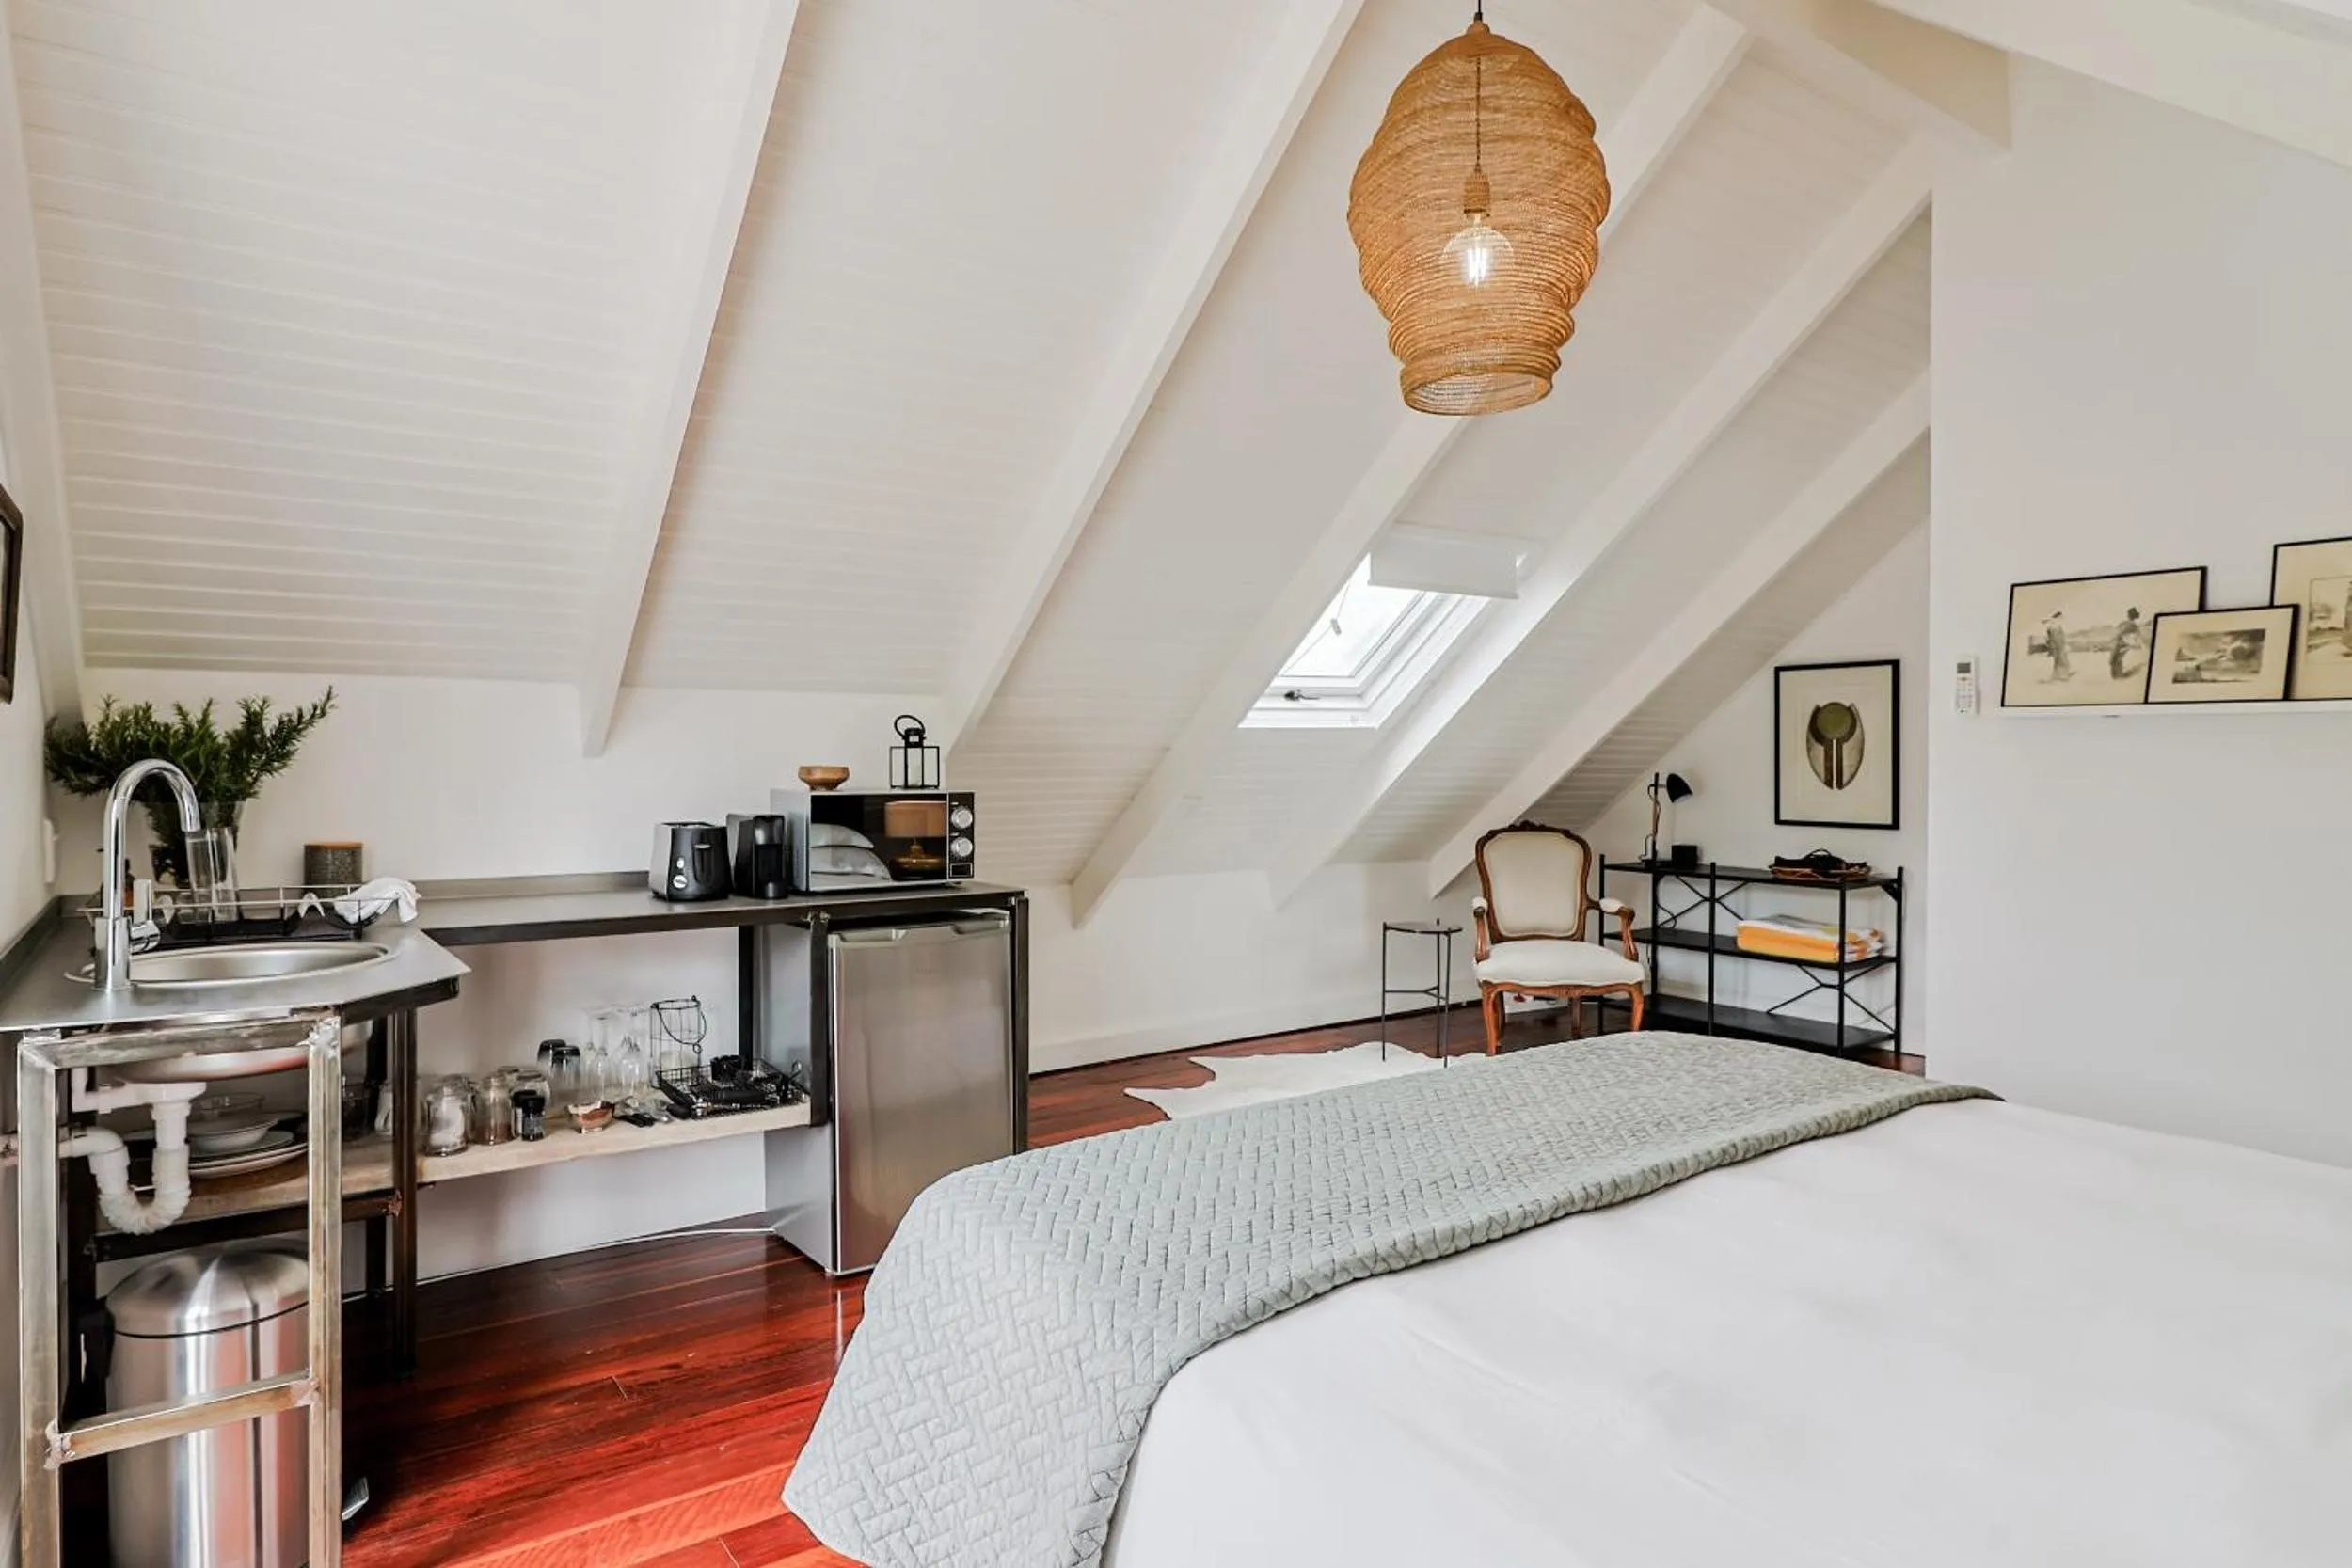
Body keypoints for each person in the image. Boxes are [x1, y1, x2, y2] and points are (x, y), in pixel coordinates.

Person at [2109, 606, 2144, 681]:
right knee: (2116, 659)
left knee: (2115, 659)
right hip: (2122, 643)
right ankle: (2118, 676)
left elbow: (2120, 633)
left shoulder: (2130, 625)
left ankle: (2117, 676)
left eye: (2129, 614)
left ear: (2130, 616)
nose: (2128, 615)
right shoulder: (2130, 624)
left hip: (2121, 643)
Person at [2043, 610, 2073, 680]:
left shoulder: (2053, 625)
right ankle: (2062, 676)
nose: (2062, 619)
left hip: (2057, 646)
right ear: (2058, 617)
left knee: (2058, 661)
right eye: (2061, 617)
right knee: (2062, 661)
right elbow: (2055, 637)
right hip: (2058, 646)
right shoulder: (2055, 625)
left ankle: (2056, 676)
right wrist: (2060, 646)